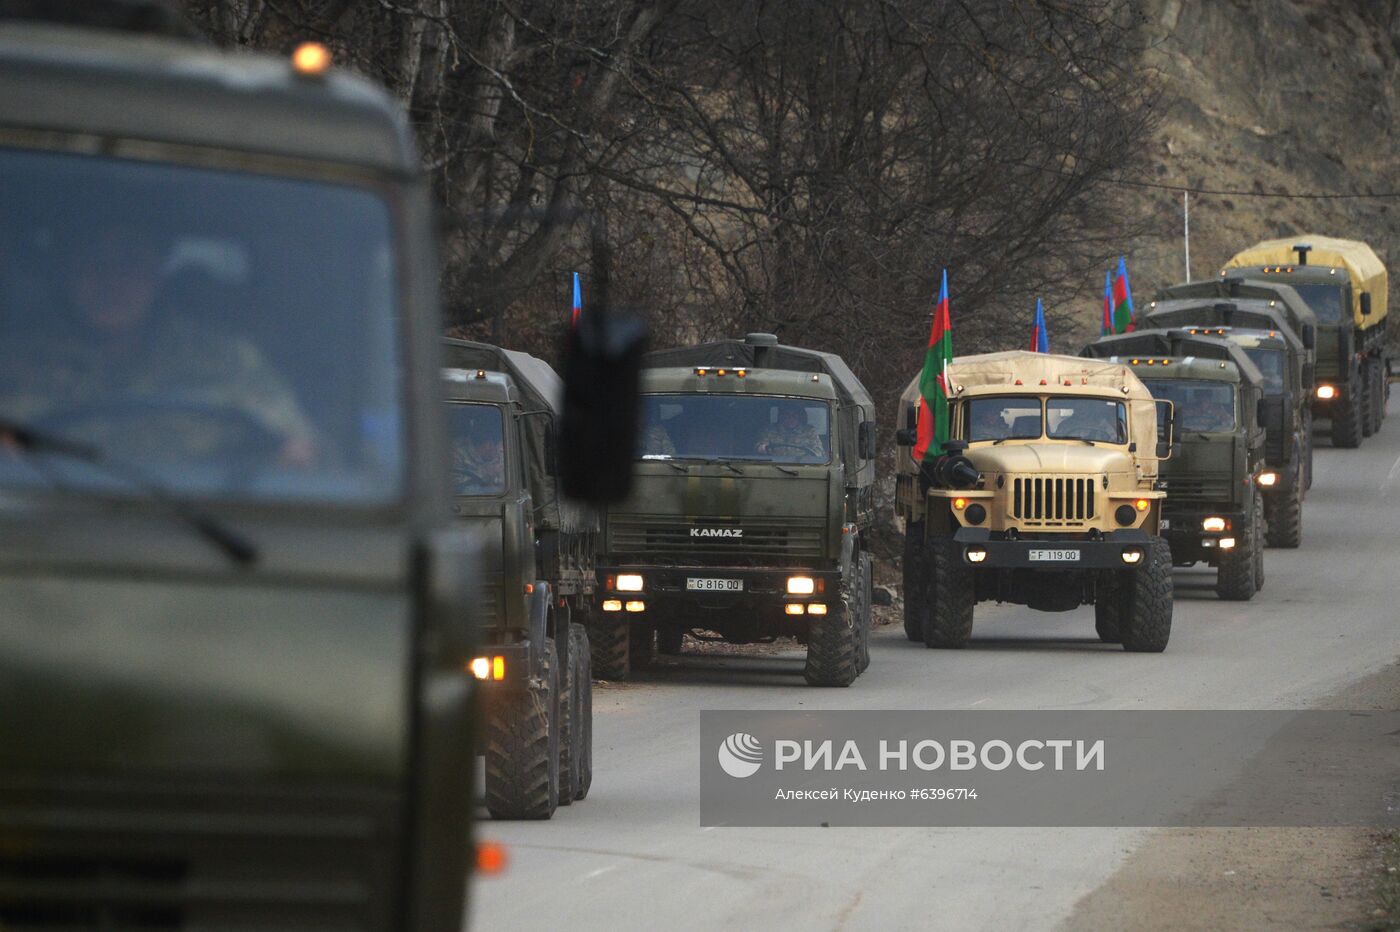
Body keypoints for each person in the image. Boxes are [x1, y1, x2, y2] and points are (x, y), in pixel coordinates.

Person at [0, 223, 317, 466]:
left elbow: (306, 453)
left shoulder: (225, 359)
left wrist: (294, 456)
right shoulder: (12, 360)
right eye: (92, 261)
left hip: (202, 529)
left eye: (131, 263)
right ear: (67, 271)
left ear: (157, 271)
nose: (111, 280)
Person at [756, 407, 823, 458]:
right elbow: (760, 446)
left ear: (799, 417)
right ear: (781, 417)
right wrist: (761, 448)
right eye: (787, 415)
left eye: (794, 415)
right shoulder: (770, 430)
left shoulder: (809, 431)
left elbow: (818, 452)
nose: (791, 418)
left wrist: (807, 460)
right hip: (774, 466)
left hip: (802, 467)